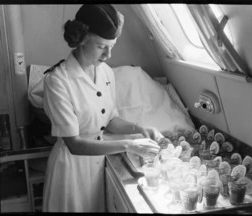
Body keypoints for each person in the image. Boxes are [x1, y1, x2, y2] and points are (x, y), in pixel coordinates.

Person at [42, 4, 162, 212]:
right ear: (81, 40)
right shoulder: (58, 81)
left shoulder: (105, 72)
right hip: (71, 171)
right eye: (100, 46)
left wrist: (139, 129)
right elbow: (75, 144)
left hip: (99, 166)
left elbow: (110, 120)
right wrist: (129, 145)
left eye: (112, 46)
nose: (108, 55)